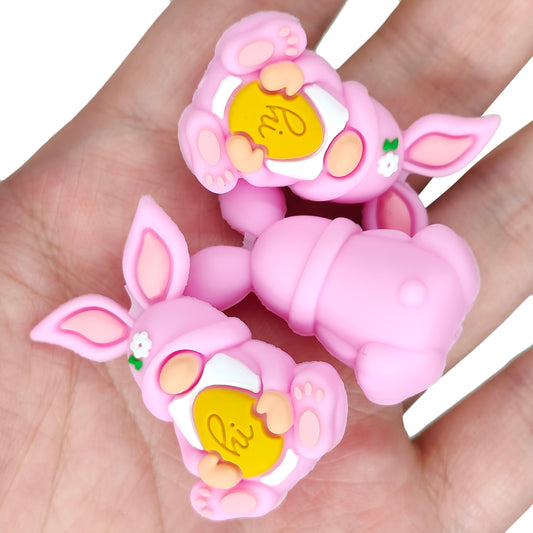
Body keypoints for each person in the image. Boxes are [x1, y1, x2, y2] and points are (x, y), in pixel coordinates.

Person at [0, 0, 531, 531]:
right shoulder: (203, 389)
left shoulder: (321, 233)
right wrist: (240, 481)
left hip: (341, 281)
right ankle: (301, 425)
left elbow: (390, 240)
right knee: (306, 386)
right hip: (323, 299)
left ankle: (231, 133)